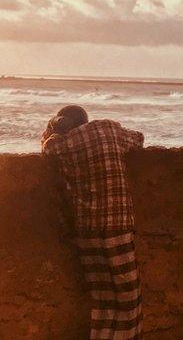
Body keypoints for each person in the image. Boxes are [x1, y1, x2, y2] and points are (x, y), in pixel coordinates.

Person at [41, 105, 145, 340]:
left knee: (103, 302)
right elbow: (138, 139)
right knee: (128, 301)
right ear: (86, 120)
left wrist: (54, 131)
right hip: (116, 226)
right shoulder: (107, 129)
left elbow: (47, 146)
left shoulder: (61, 144)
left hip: (86, 230)